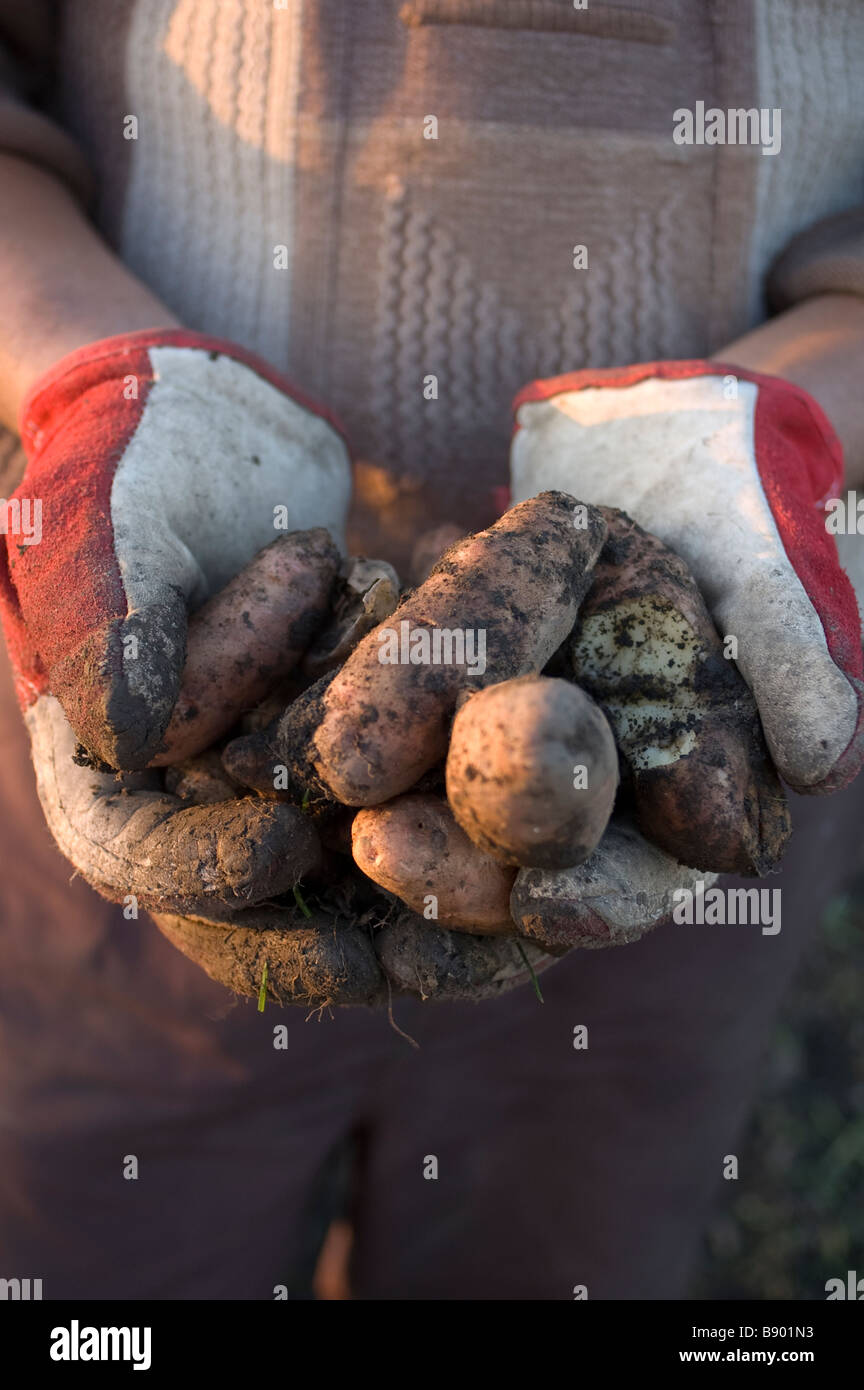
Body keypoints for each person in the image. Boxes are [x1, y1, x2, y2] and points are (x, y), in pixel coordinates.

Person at [1, 1, 864, 1300]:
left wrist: (794, 425)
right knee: (99, 1252)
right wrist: (89, 383)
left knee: (565, 1218)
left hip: (694, 686)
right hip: (155, 617)